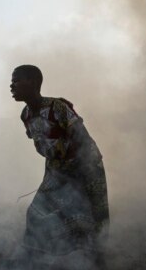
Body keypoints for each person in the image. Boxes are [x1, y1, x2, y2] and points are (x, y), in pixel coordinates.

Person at [10, 65, 109, 259]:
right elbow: (45, 145)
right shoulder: (26, 114)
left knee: (89, 215)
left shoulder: (57, 108)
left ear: (33, 82)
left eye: (16, 80)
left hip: (85, 165)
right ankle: (35, 258)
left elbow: (81, 138)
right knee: (36, 213)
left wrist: (76, 178)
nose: (11, 85)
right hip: (56, 169)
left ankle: (95, 263)